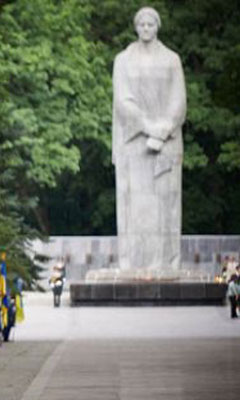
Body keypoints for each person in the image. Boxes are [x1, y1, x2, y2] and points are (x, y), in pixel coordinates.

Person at [112, 6, 186, 270]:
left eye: (150, 24)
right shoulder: (123, 60)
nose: (146, 29)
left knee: (166, 205)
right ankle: (131, 263)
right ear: (136, 27)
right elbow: (122, 101)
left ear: (157, 27)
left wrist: (164, 129)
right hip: (134, 143)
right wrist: (148, 127)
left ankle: (166, 262)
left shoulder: (171, 60)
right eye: (141, 24)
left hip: (165, 143)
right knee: (133, 205)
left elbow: (179, 101)